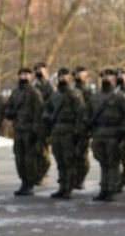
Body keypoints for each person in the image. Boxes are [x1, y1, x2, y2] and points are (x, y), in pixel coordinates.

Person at [86, 69, 125, 201]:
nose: (106, 78)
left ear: (114, 79)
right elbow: (88, 111)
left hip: (114, 133)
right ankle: (104, 188)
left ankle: (112, 188)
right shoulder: (95, 96)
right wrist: (88, 124)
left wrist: (124, 131)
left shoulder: (119, 96)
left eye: (109, 76)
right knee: (103, 162)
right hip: (99, 133)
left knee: (112, 162)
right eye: (104, 76)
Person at [44, 67, 86, 199]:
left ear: (69, 78)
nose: (62, 79)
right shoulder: (55, 94)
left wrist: (77, 132)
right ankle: (62, 186)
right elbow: (47, 107)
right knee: (60, 160)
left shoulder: (74, 94)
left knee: (69, 161)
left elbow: (81, 114)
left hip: (69, 131)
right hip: (57, 131)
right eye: (60, 77)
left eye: (65, 77)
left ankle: (69, 187)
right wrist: (46, 118)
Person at [5, 67, 44, 196]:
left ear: (31, 77)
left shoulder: (34, 93)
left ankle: (30, 183)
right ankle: (23, 181)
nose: (24, 77)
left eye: (27, 75)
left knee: (30, 159)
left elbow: (39, 113)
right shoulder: (15, 92)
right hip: (18, 130)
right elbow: (8, 107)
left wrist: (35, 130)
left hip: (29, 130)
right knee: (19, 157)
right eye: (22, 74)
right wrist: (9, 114)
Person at [32, 62, 55, 185]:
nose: (38, 71)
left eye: (41, 69)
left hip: (43, 122)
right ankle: (35, 173)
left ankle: (43, 173)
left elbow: (53, 103)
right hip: (32, 122)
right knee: (33, 150)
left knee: (42, 150)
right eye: (36, 69)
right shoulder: (33, 85)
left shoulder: (49, 86)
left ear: (46, 71)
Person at [73, 66, 94, 189]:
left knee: (82, 154)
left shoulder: (89, 92)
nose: (79, 77)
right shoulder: (72, 90)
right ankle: (73, 177)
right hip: (72, 127)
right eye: (77, 75)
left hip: (83, 128)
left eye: (81, 75)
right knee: (71, 155)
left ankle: (81, 178)